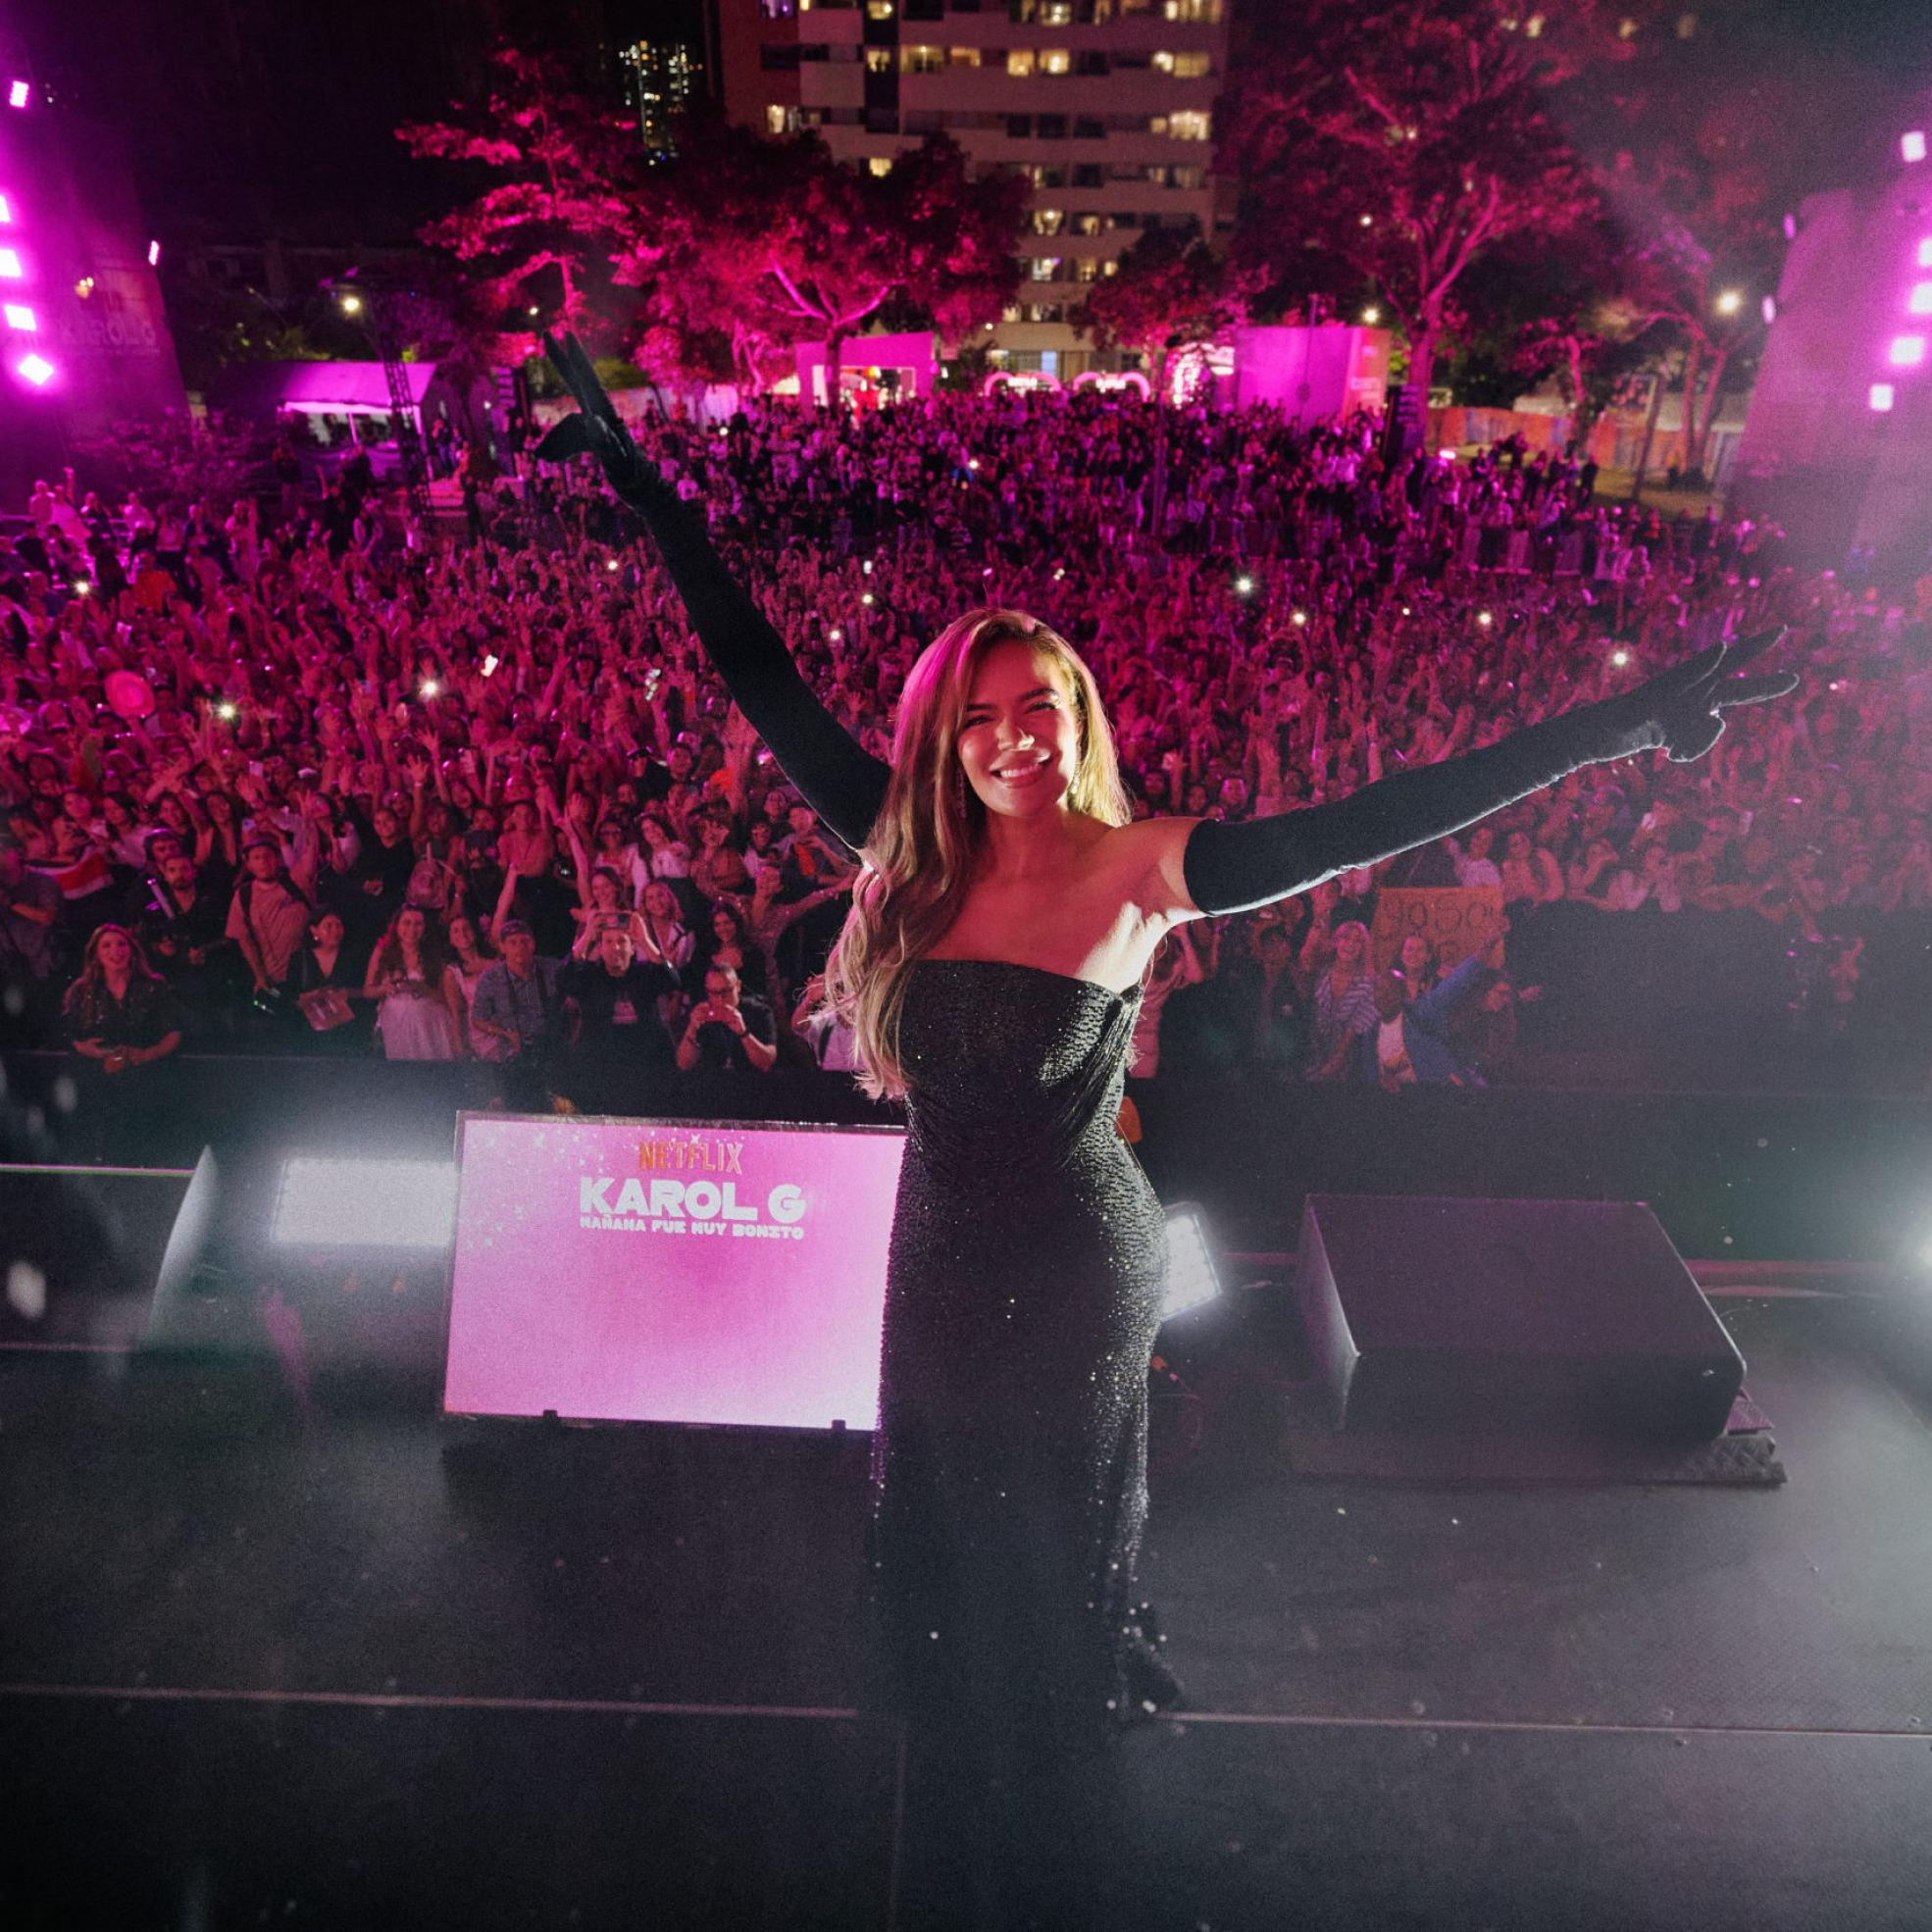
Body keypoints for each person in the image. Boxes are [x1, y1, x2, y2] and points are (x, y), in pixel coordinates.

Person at [539, 331, 1797, 1794]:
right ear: (944, 740)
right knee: (946, 1491)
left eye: (1037, 709)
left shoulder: (1144, 867)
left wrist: (1619, 727)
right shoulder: (910, 857)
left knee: (1048, 1515)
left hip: (1078, 1246)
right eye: (979, 719)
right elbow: (758, 678)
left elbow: (1378, 817)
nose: (1010, 740)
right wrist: (652, 498)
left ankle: (1053, 1730)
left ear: (1075, 718)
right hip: (939, 1235)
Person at [364, 903, 465, 1060]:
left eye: (418, 924)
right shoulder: (383, 953)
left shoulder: (433, 955)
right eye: (407, 923)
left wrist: (424, 989)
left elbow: (449, 1000)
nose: (412, 929)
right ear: (397, 926)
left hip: (431, 1025)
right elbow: (367, 991)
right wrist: (386, 988)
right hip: (397, 1025)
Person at [673, 960, 777, 1074]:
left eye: (725, 991)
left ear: (738, 986)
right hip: (712, 1083)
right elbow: (683, 1064)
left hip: (749, 1081)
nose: (720, 999)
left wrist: (744, 1033)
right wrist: (692, 1028)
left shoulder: (759, 1011)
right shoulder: (701, 1012)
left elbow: (767, 1063)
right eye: (713, 993)